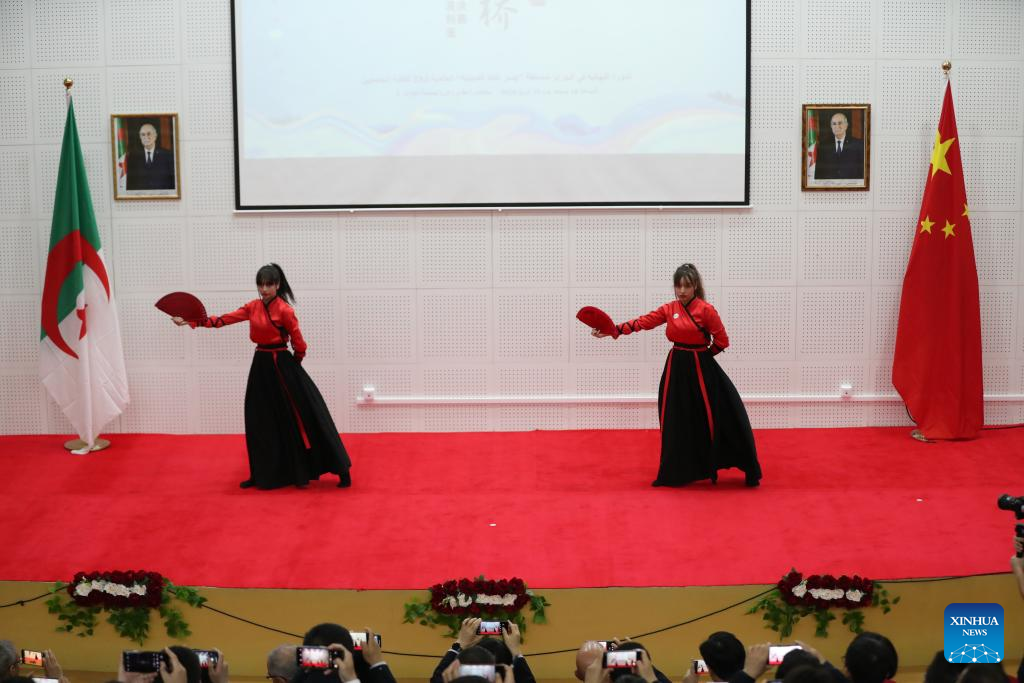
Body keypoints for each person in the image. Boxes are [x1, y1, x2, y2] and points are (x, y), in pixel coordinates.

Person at [173, 263, 352, 489]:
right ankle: (261, 474)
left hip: (283, 365)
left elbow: (299, 342)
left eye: (268, 284)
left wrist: (294, 366)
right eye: (261, 284)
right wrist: (191, 321)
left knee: (307, 415)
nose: (264, 289)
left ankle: (341, 470)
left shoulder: (285, 310)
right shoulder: (252, 307)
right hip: (261, 364)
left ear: (277, 285)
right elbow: (222, 320)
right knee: (259, 419)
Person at [592, 264, 761, 487]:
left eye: (687, 286)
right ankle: (675, 472)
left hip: (701, 369)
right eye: (678, 286)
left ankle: (742, 464)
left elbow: (722, 341)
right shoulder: (669, 308)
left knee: (720, 416)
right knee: (675, 419)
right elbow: (643, 322)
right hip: (676, 367)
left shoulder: (706, 310)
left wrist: (703, 357)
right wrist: (613, 330)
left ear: (695, 286)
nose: (682, 291)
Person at [814, 111, 864, 180]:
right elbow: (819, 172)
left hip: (851, 185)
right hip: (830, 185)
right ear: (831, 126)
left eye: (840, 123)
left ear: (846, 125)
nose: (837, 126)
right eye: (834, 124)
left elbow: (862, 172)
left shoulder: (858, 144)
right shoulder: (824, 146)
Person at [126, 122, 176, 191]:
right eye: (143, 135)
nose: (146, 137)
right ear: (140, 137)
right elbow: (131, 183)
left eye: (149, 134)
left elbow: (173, 182)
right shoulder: (133, 157)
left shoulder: (167, 155)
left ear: (155, 136)